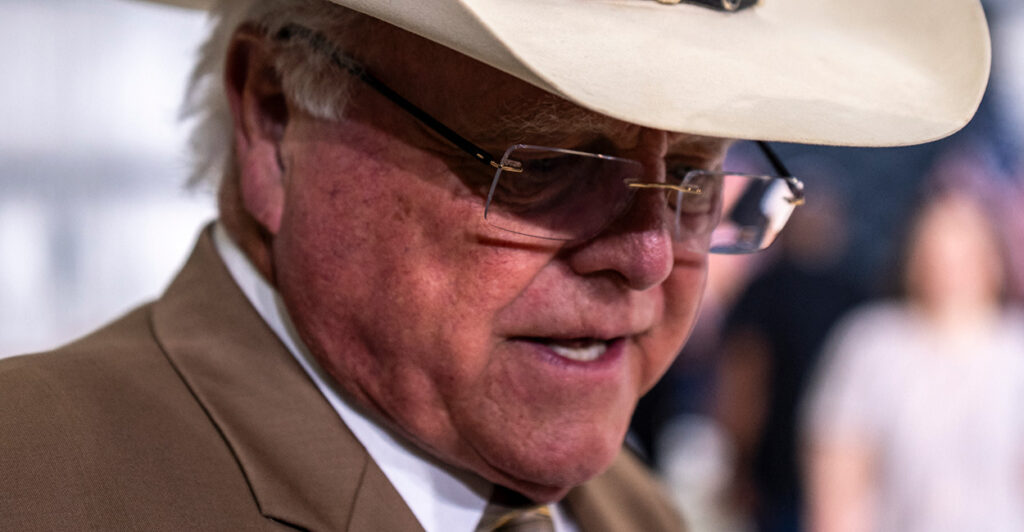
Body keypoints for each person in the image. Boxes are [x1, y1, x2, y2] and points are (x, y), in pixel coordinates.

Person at [0, 0, 990, 530]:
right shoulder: (30, 480)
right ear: (274, 119)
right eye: (550, 165)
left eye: (689, 179)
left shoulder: (629, 513)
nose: (647, 255)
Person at [803, 175, 1024, 532]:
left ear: (993, 257)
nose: (949, 266)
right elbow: (839, 473)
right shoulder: (872, 344)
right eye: (936, 249)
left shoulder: (1015, 351)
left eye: (963, 251)